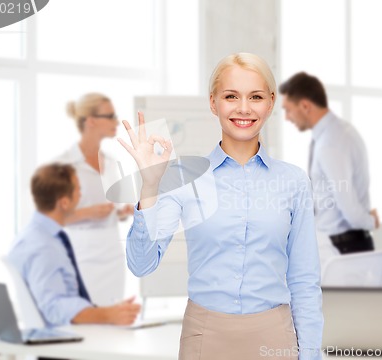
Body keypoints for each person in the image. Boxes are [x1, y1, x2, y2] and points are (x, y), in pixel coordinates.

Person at [119, 53, 323, 360]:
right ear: (213, 102)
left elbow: (304, 280)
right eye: (231, 96)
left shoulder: (293, 181)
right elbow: (141, 264)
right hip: (204, 337)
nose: (243, 108)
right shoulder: (183, 178)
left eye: (255, 97)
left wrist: (310, 355)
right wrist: (150, 185)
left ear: (270, 102)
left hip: (275, 338)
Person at [8, 163, 140, 327]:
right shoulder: (43, 246)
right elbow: (54, 307)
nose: (80, 194)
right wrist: (107, 315)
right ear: (64, 202)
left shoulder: (37, 236)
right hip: (62, 342)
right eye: (78, 189)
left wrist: (111, 311)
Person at [279, 72, 379, 255]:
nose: (287, 117)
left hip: (342, 248)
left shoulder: (330, 143)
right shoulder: (339, 132)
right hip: (344, 245)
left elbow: (347, 203)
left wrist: (371, 222)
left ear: (305, 106)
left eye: (288, 109)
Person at [55, 93, 133, 306]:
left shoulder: (111, 162)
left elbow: (113, 209)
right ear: (90, 121)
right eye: (110, 116)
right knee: (85, 319)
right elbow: (52, 218)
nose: (116, 121)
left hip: (112, 255)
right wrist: (88, 213)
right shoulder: (64, 165)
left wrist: (122, 212)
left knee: (111, 321)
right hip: (81, 257)